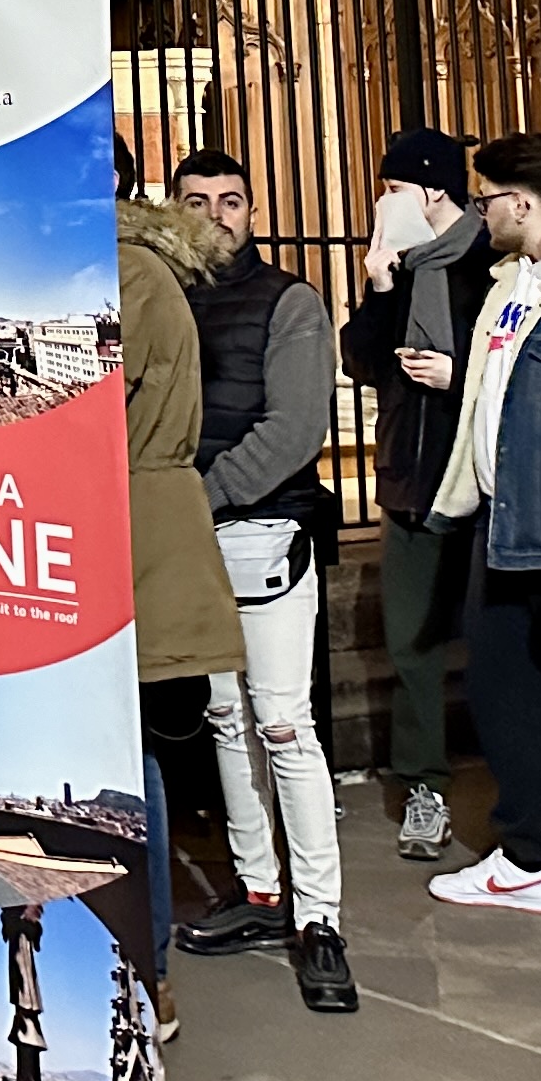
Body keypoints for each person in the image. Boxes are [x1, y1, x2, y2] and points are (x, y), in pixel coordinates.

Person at [165, 147, 353, 1016]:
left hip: (263, 530)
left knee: (281, 722)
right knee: (223, 718)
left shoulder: (289, 302)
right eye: (197, 200)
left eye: (232, 199)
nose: (216, 214)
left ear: (252, 210)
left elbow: (296, 426)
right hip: (189, 540)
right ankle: (260, 887)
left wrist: (199, 496)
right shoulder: (159, 296)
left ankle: (320, 918)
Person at [427, 135, 541, 920]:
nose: (481, 214)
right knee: (509, 691)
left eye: (487, 200)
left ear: (522, 202)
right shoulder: (512, 279)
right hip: (500, 518)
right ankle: (528, 852)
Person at [115, 161, 246, 1016]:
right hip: (126, 521)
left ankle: (146, 967)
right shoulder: (131, 264)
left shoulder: (124, 272)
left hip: (130, 529)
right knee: (128, 751)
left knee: (128, 758)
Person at [340, 127, 490, 867]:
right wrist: (378, 287)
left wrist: (459, 376)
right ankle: (424, 784)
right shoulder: (398, 268)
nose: (383, 203)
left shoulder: (489, 261)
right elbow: (361, 362)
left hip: (481, 478)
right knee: (413, 643)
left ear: (432, 190)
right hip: (412, 475)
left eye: (393, 190)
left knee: (498, 645)